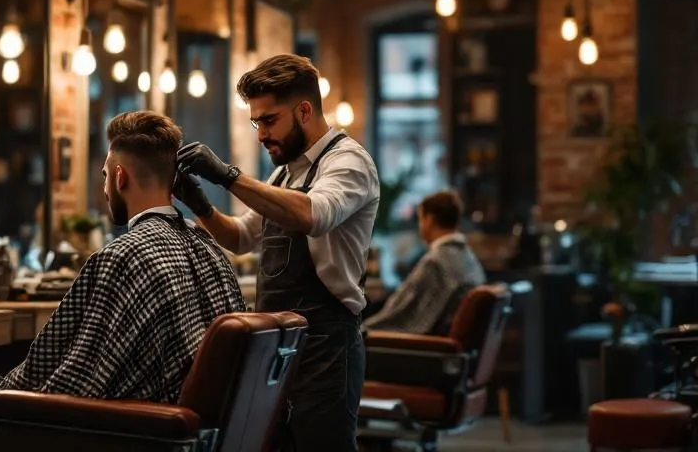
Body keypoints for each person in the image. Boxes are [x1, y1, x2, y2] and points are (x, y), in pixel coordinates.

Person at [0, 110, 247, 452]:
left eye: (104, 177)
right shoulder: (209, 247)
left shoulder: (123, 256)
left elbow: (76, 381)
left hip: (127, 433)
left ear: (120, 177)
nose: (103, 188)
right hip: (188, 435)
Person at [173, 53, 380, 452]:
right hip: (280, 345)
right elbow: (241, 237)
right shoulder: (285, 173)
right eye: (257, 122)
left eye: (269, 121)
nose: (261, 134)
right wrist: (201, 206)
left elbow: (313, 214)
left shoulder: (348, 161)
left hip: (327, 345)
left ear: (304, 110)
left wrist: (229, 176)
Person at [364, 190, 485, 334]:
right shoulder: (468, 257)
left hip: (426, 350)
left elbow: (404, 317)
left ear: (430, 220)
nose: (419, 226)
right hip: (451, 349)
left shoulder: (435, 263)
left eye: (420, 219)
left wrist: (361, 331)